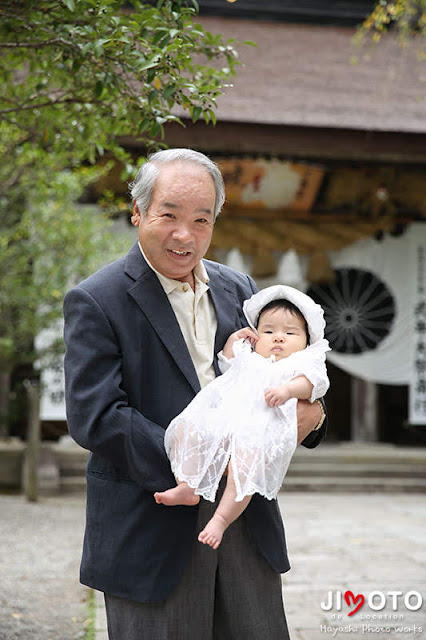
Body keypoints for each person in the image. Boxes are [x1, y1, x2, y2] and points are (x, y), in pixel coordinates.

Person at [63, 148, 327, 640]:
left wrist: (313, 414)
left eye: (202, 220)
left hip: (244, 522)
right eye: (169, 215)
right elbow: (95, 415)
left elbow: (280, 368)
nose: (185, 235)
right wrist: (199, 462)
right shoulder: (97, 300)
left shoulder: (238, 289)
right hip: (153, 518)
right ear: (138, 211)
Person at [155, 285, 330, 549]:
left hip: (256, 431)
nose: (278, 338)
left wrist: (287, 390)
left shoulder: (302, 363)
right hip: (222, 421)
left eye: (290, 333)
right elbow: (226, 364)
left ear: (307, 340)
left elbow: (314, 385)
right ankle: (186, 485)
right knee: (185, 429)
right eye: (268, 331)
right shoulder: (250, 358)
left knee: (244, 467)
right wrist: (232, 344)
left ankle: (220, 520)